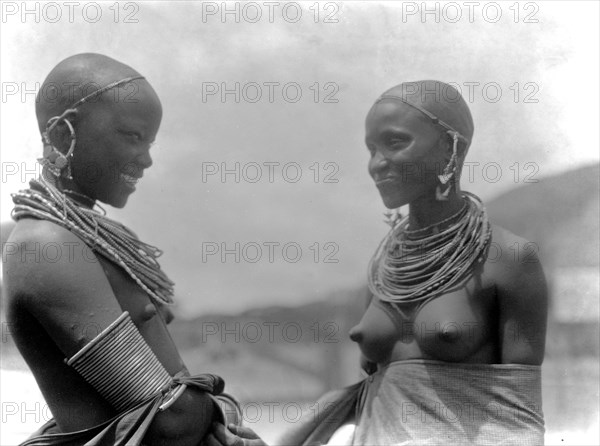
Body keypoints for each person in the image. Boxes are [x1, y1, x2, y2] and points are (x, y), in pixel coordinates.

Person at [207, 81, 548, 446]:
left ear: (452, 147)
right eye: (371, 149)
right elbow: (371, 386)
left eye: (395, 143)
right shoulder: (386, 267)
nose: (376, 164)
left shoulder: (509, 258)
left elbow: (518, 415)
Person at [4, 53, 240, 446]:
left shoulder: (81, 237)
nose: (146, 159)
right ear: (64, 135)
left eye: (150, 142)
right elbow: (170, 424)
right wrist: (218, 407)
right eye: (133, 136)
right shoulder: (47, 247)